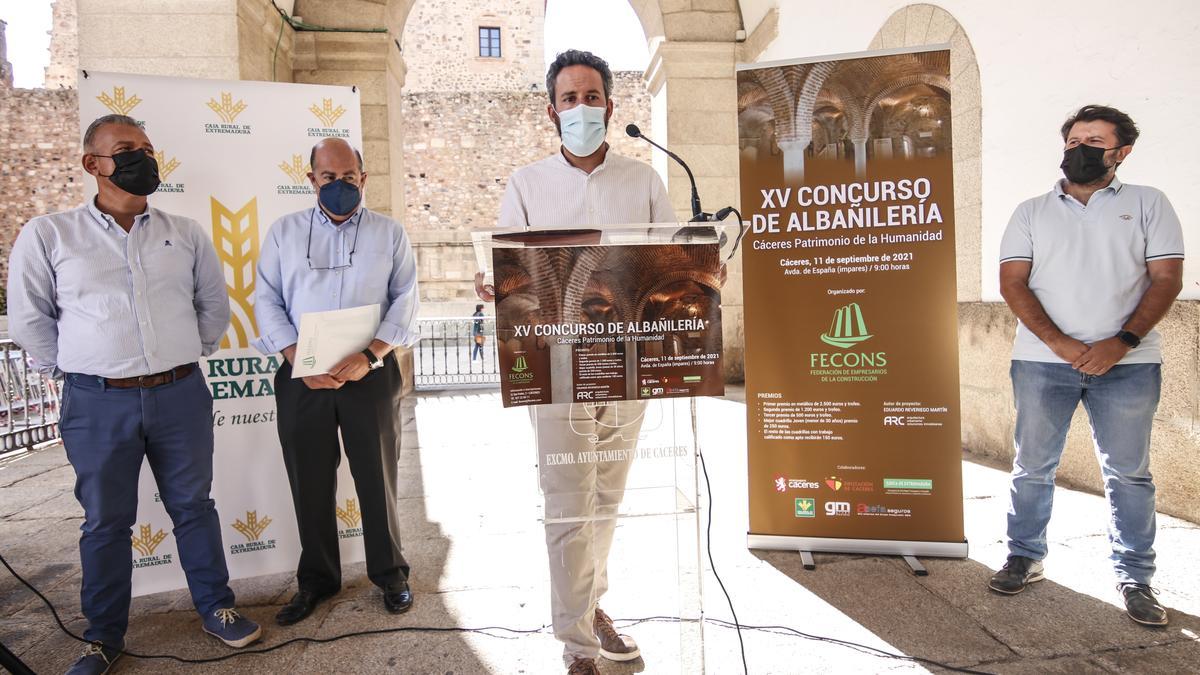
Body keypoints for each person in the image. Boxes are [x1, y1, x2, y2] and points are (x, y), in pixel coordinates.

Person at [7, 114, 261, 675]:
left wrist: (170, 357)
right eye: (125, 149)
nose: (141, 157)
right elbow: (30, 319)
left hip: (179, 394)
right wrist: (81, 368)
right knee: (105, 522)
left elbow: (212, 308)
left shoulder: (186, 232)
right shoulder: (49, 234)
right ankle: (102, 637)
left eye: (147, 148)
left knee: (194, 507)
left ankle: (217, 609)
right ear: (91, 164)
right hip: (96, 401)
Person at [476, 49, 676, 675]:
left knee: (607, 499)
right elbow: (506, 269)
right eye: (570, 98)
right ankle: (577, 645)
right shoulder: (527, 185)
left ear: (611, 108)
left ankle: (590, 607)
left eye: (593, 97)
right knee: (568, 499)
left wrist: (699, 273)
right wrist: (495, 286)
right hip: (558, 368)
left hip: (629, 366)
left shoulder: (643, 181)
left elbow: (671, 262)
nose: (582, 107)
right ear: (551, 112)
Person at [990, 105, 1184, 627]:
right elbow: (1013, 282)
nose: (1080, 149)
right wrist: (1057, 342)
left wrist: (1120, 343)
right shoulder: (1031, 210)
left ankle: (1135, 577)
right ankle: (1024, 556)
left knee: (1128, 474)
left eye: (1094, 141)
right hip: (1041, 360)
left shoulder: (1149, 203)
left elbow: (1165, 279)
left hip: (1130, 362)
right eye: (1073, 140)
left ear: (1121, 152)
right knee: (1033, 466)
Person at [253, 137, 420, 626]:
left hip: (370, 372)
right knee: (309, 480)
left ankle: (391, 575)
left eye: (349, 177)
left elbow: (405, 299)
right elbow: (266, 299)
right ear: (311, 180)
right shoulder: (283, 233)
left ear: (363, 179)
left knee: (378, 477)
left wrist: (370, 355)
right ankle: (317, 581)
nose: (339, 185)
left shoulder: (390, 234)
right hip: (303, 376)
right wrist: (295, 357)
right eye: (329, 177)